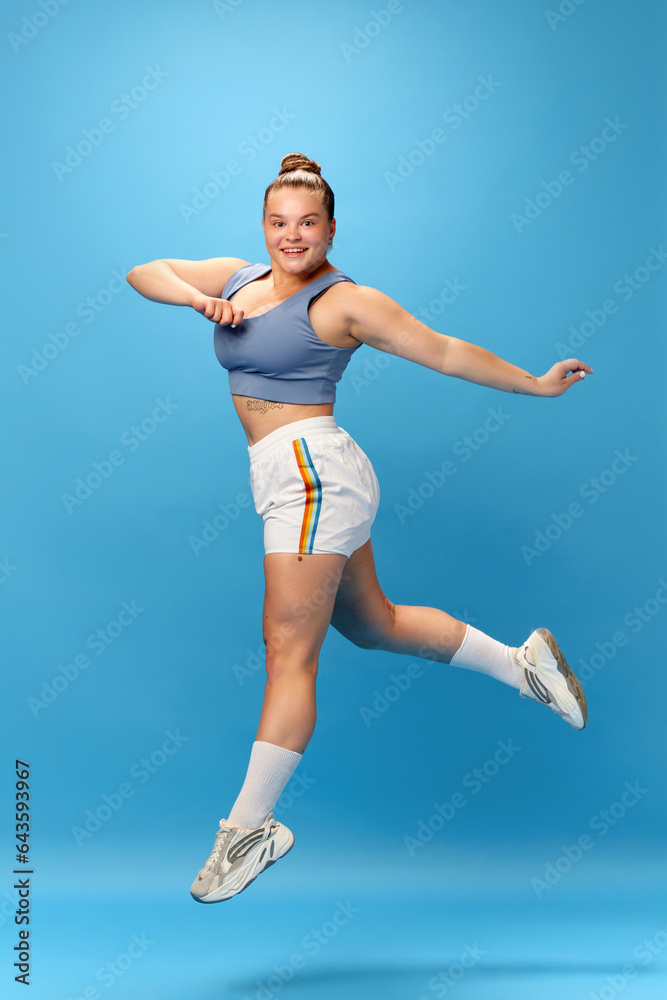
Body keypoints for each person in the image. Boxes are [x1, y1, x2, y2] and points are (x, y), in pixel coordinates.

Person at [126, 151, 591, 905]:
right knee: (371, 624)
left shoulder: (344, 301)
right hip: (291, 476)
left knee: (287, 649)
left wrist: (536, 385)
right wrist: (194, 299)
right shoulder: (240, 277)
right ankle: (522, 664)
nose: (291, 235)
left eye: (307, 224)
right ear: (264, 226)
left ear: (330, 229)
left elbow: (440, 350)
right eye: (279, 222)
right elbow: (143, 271)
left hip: (313, 473)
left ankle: (249, 828)